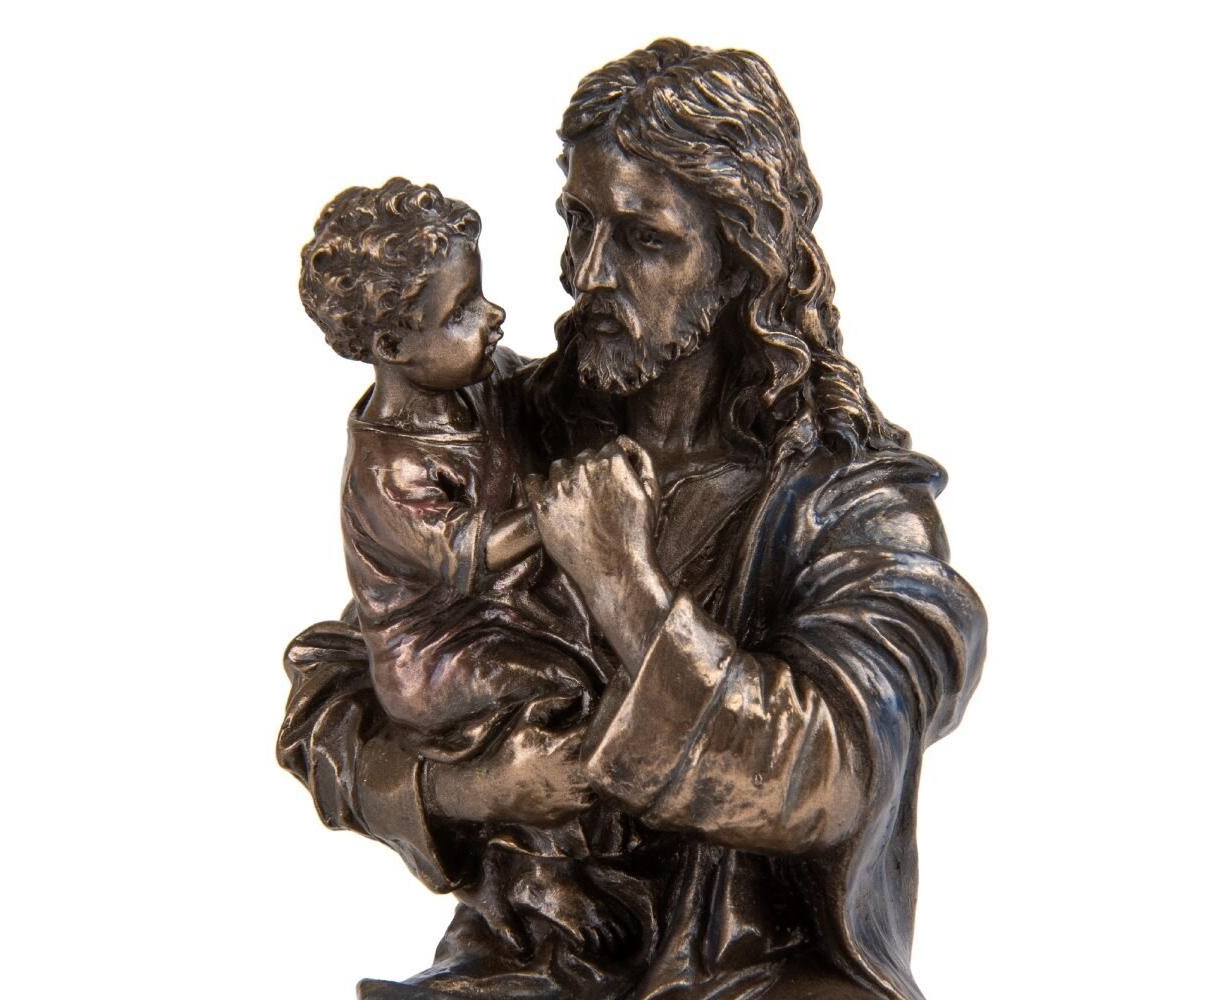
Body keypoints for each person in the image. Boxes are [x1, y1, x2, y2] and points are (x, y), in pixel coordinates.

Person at [279, 39, 987, 1000]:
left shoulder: (851, 508)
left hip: (750, 972)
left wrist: (621, 579)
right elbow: (352, 673)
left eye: (645, 240)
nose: (586, 274)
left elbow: (833, 773)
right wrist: (462, 788)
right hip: (530, 960)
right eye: (579, 222)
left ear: (742, 259)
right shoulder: (505, 429)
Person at [297, 177, 642, 962]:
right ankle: (536, 874)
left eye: (480, 297)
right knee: (558, 692)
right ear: (393, 346)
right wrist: (560, 515)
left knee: (590, 664)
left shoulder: (474, 381)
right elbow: (468, 554)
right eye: (462, 311)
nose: (492, 316)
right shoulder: (392, 466)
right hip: (434, 653)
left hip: (501, 613)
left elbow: (541, 387)